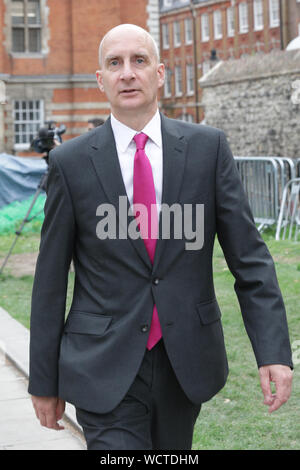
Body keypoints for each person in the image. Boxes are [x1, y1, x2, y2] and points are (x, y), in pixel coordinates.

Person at [28, 24, 293, 450]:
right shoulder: (70, 162)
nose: (127, 73)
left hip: (185, 360)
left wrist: (274, 351)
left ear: (160, 73)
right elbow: (49, 281)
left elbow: (250, 259)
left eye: (139, 61)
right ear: (101, 80)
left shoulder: (208, 149)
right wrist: (43, 379)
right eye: (114, 63)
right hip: (102, 363)